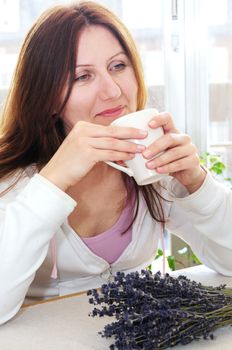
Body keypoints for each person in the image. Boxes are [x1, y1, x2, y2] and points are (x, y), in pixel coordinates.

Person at [0, 1, 231, 326]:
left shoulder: (150, 165)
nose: (112, 91)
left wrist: (198, 184)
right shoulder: (13, 181)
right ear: (48, 97)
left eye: (118, 66)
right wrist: (50, 183)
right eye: (83, 76)